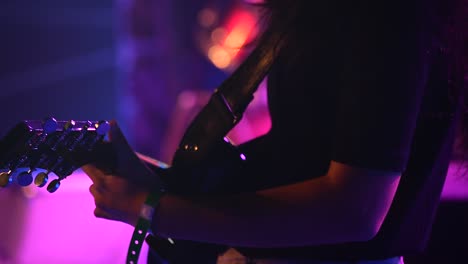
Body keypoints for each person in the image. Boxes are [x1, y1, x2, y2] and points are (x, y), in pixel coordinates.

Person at [82, 0, 468, 263]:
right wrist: (156, 183)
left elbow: (356, 209)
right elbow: (295, 165)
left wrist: (156, 211)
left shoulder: (384, 16)